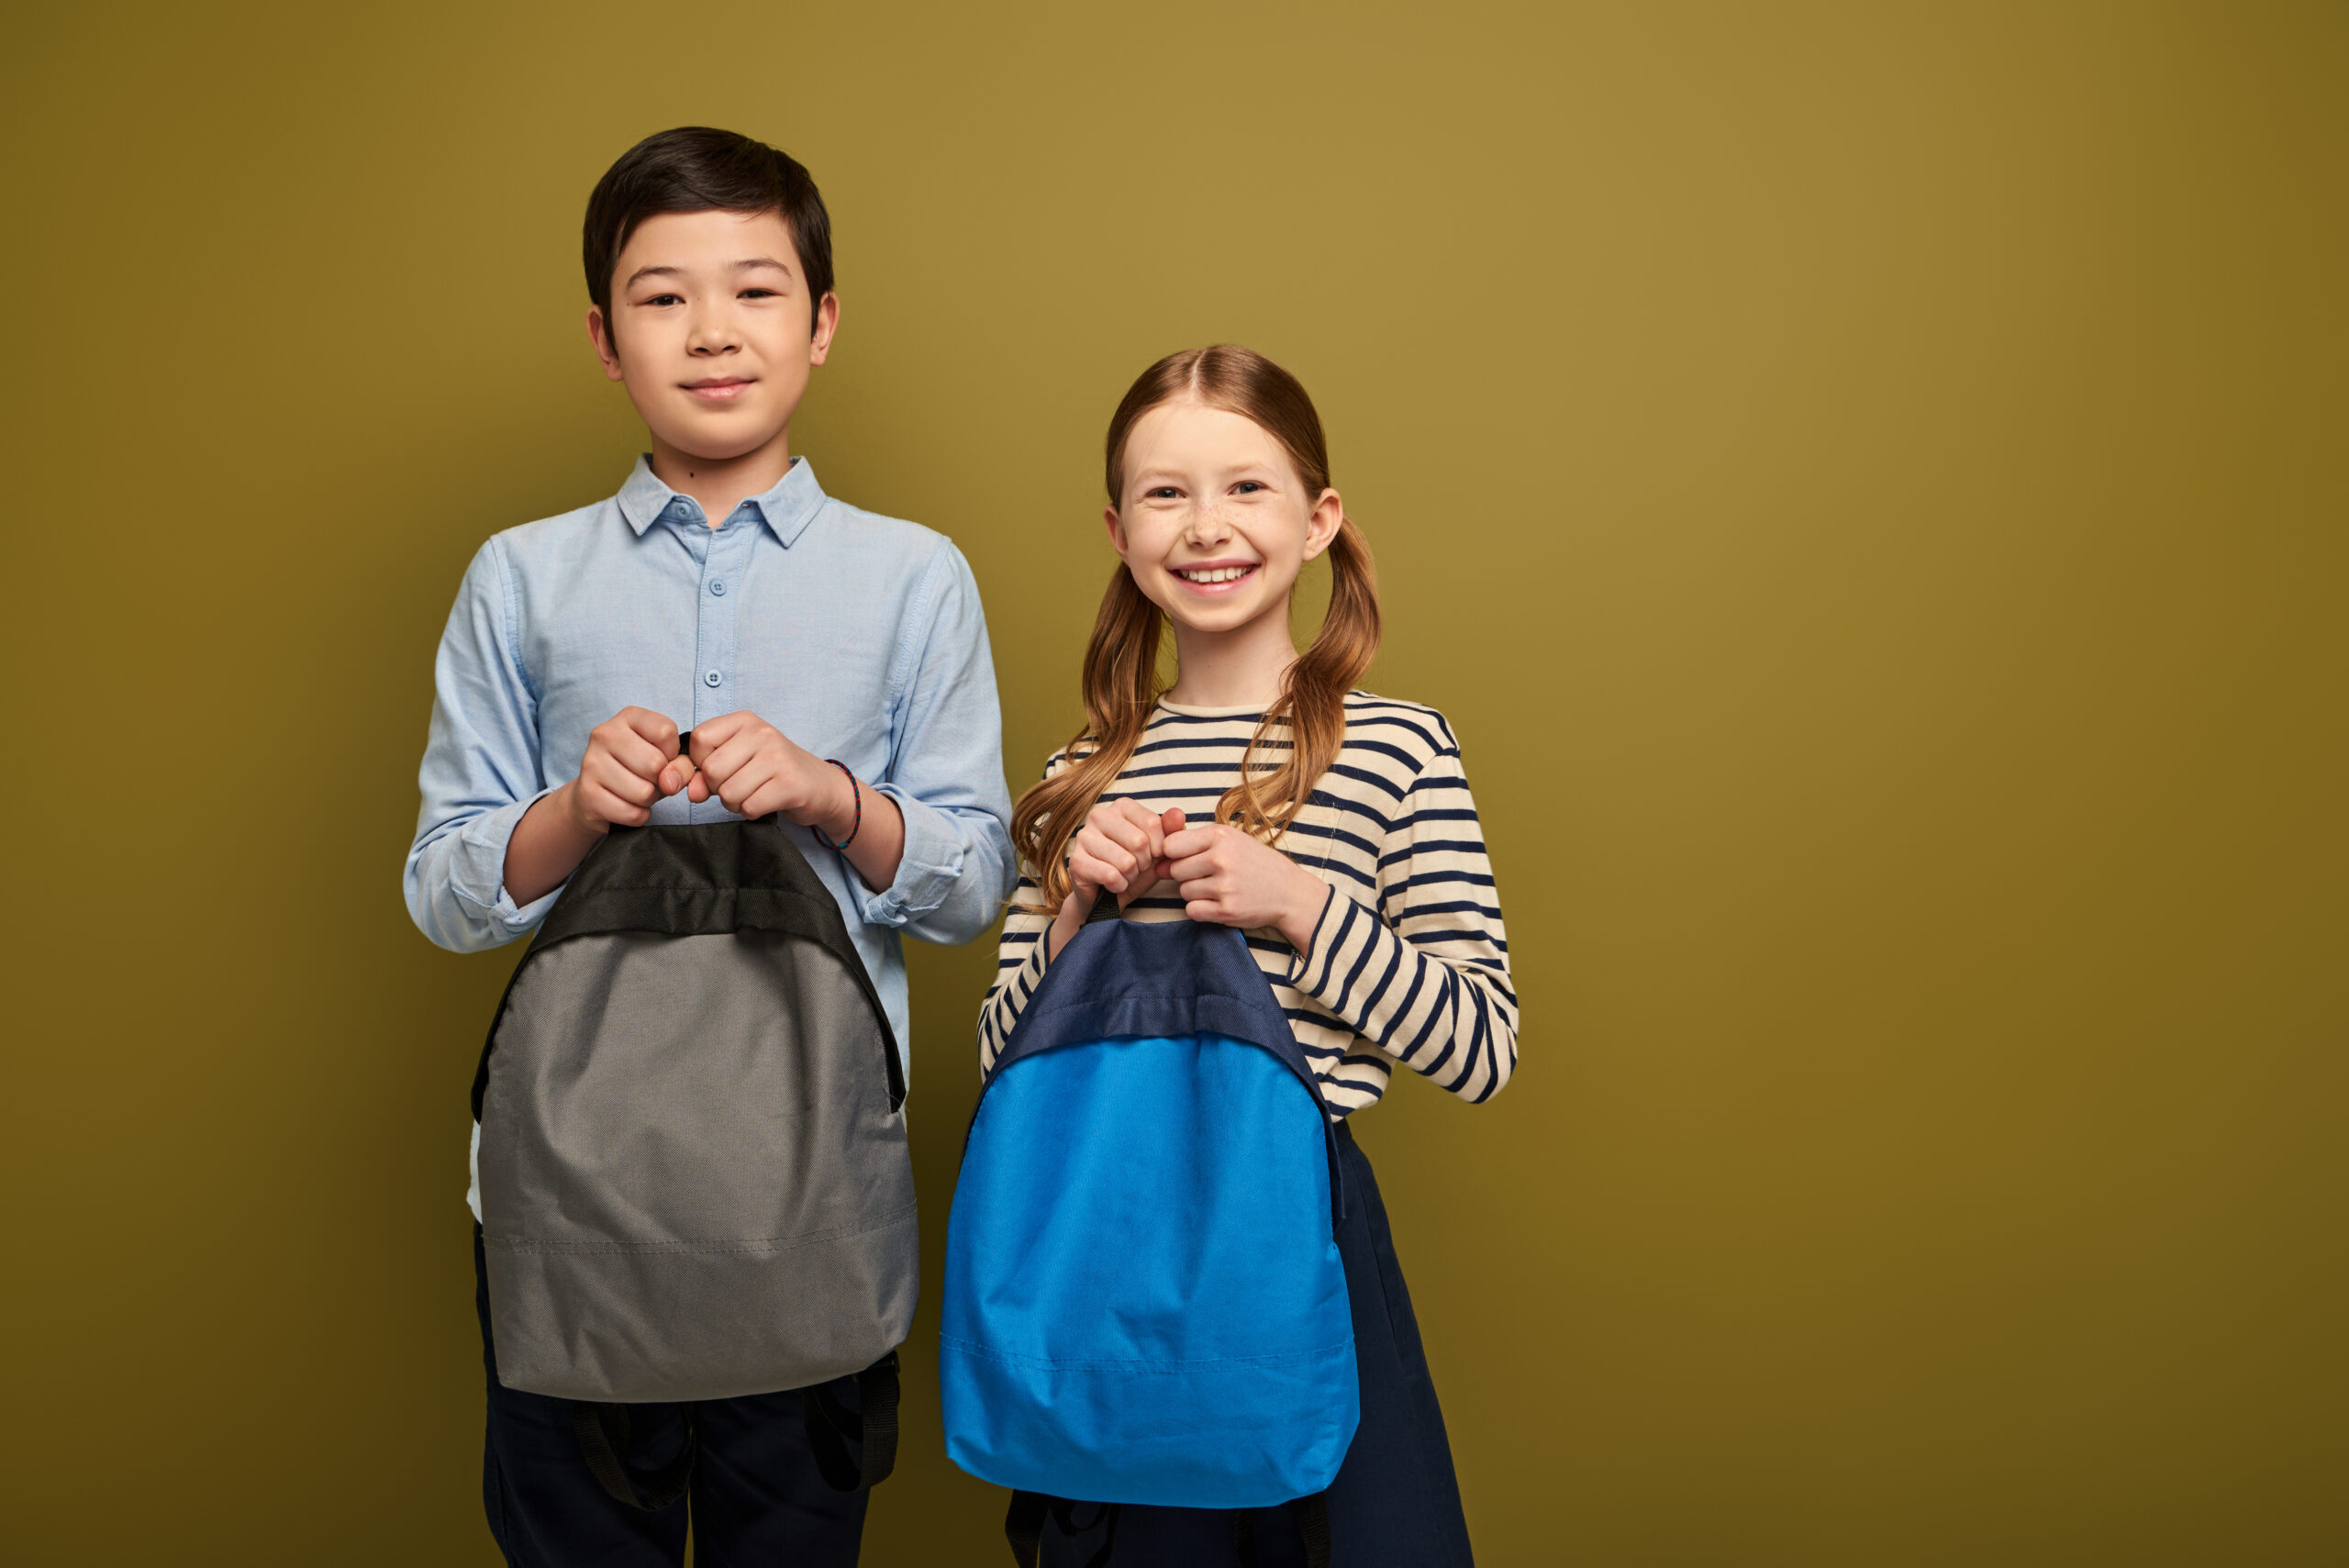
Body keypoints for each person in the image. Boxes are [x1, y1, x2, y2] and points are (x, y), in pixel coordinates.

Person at [403, 126, 1018, 1566]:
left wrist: (826, 791)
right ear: (606, 339)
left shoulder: (914, 578)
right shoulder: (522, 576)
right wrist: (571, 808)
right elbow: (442, 891)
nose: (712, 331)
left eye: (754, 288)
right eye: (661, 294)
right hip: (571, 1201)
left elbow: (974, 883)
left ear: (821, 323)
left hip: (811, 1194)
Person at [977, 345, 1517, 1565]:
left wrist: (1303, 905)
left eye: (1247, 487)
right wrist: (1072, 912)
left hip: (1301, 1231)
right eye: (1165, 493)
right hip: (1109, 1240)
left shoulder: (1397, 749)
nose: (1205, 525)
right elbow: (1002, 1058)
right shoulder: (1075, 780)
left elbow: (1483, 1045)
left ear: (1318, 518)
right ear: (1118, 529)